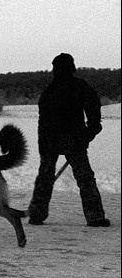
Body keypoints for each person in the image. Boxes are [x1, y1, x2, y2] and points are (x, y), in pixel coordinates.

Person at [28, 53, 111, 227]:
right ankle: (94, 216)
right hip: (70, 140)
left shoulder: (51, 90)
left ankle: (37, 213)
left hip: (56, 140)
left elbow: (42, 122)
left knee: (46, 177)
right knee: (84, 178)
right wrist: (92, 129)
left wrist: (90, 130)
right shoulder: (76, 86)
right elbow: (93, 107)